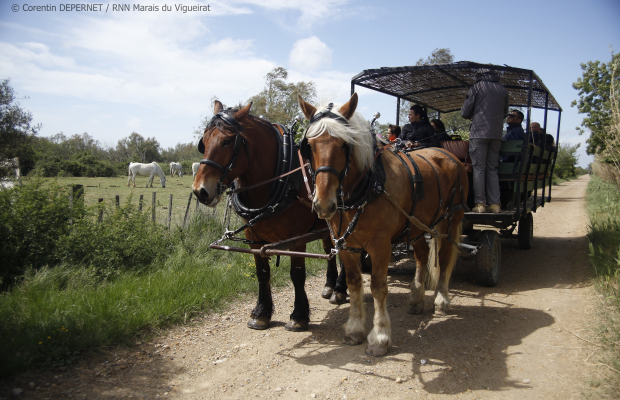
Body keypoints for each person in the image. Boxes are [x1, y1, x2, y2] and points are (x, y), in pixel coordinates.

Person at [461, 68, 509, 213]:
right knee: (492, 169)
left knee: (478, 168)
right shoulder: (503, 90)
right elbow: (505, 113)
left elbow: (464, 112)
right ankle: (495, 204)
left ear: (480, 75)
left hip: (479, 134)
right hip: (496, 134)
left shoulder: (476, 87)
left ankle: (480, 204)